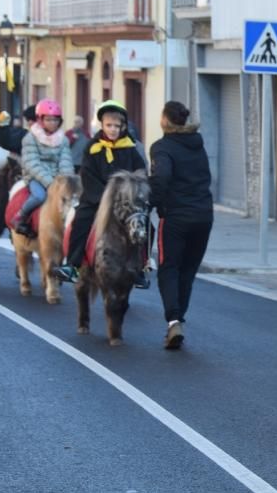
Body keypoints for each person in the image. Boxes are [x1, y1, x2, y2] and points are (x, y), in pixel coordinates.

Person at [54, 99, 147, 285]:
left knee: (144, 225)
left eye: (117, 126)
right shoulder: (93, 147)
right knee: (80, 220)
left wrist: (134, 190)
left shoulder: (130, 148)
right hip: (97, 199)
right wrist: (105, 197)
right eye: (109, 125)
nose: (113, 129)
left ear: (123, 127)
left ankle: (139, 267)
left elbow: (140, 171)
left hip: (126, 201)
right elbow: (87, 176)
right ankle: (73, 265)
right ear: (102, 125)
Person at [148, 101, 214, 350]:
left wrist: (153, 202)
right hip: (204, 216)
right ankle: (178, 321)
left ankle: (173, 320)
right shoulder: (198, 145)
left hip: (176, 217)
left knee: (169, 269)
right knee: (188, 271)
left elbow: (162, 177)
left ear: (164, 120)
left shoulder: (162, 147)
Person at [15, 99, 74, 236]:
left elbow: (65, 161)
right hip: (36, 177)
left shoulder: (63, 139)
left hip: (57, 178)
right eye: (48, 120)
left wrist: (66, 181)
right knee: (40, 196)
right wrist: (50, 183)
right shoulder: (30, 138)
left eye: (55, 120)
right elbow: (31, 163)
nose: (52, 123)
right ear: (40, 120)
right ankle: (21, 216)